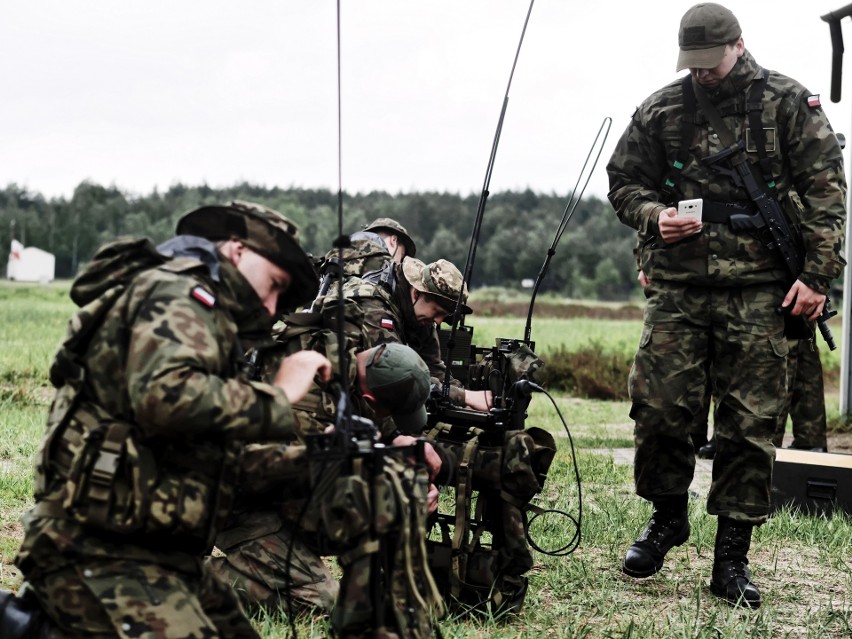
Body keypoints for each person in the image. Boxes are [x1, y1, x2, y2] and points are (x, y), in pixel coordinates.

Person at [607, 2, 846, 609]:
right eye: (693, 64)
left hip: (762, 289)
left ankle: (731, 558)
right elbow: (624, 181)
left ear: (740, 45)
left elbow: (826, 197)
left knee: (749, 425)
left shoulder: (790, 104)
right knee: (658, 410)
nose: (703, 73)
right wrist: (651, 217)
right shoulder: (661, 108)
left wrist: (818, 278)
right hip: (680, 288)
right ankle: (667, 518)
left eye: (711, 62)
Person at [8, 201, 332, 638]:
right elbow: (165, 398)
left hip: (159, 552)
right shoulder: (178, 293)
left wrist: (324, 460)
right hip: (96, 548)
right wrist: (278, 395)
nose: (273, 307)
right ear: (237, 251)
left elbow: (219, 464)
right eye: (274, 285)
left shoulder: (211, 325)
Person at [209, 341, 439, 615]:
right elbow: (303, 497)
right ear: (370, 400)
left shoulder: (345, 357)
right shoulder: (309, 409)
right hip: (237, 503)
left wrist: (396, 439)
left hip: (272, 490)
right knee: (322, 601)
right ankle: (180, 575)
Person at [323, 256, 493, 412]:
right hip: (337, 398)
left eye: (444, 317)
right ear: (416, 293)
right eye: (437, 312)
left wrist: (466, 401)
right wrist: (463, 396)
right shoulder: (375, 307)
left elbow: (434, 368)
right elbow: (396, 376)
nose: (439, 322)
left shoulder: (419, 313)